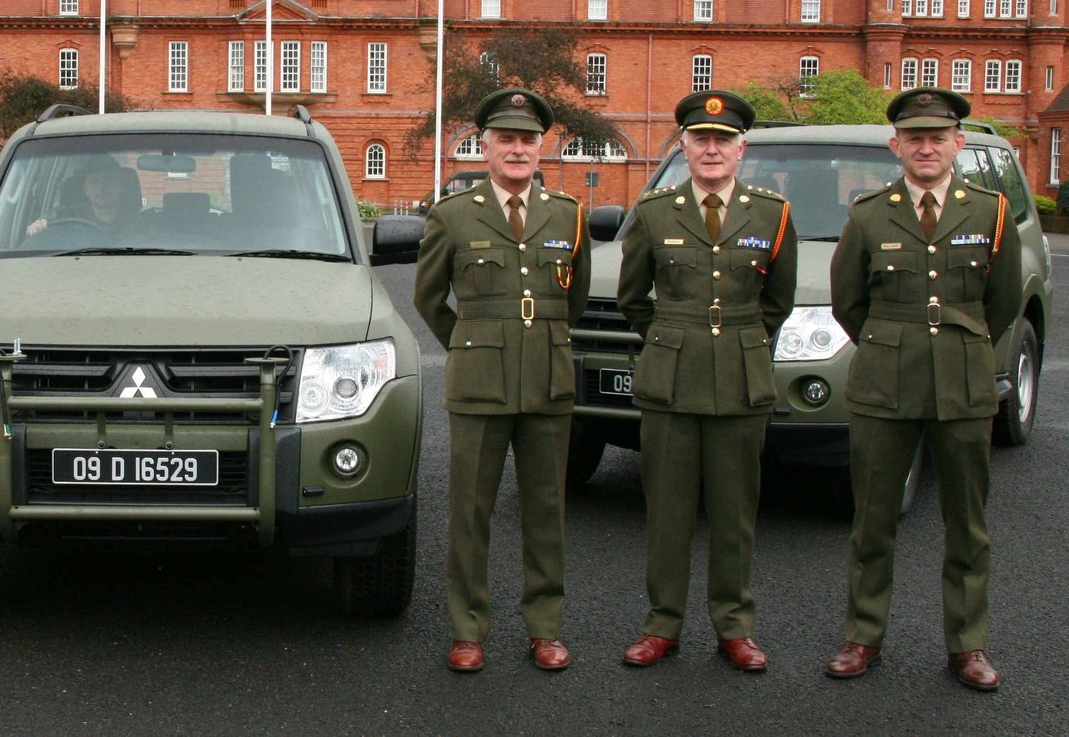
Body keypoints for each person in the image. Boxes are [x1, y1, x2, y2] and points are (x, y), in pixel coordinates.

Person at [825, 87, 1022, 692]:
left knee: (967, 523)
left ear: (958, 144)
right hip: (884, 380)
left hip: (962, 383)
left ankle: (968, 646)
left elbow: (1004, 300)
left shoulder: (990, 212)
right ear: (896, 147)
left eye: (938, 138)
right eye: (915, 139)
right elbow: (848, 303)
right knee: (873, 521)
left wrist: (957, 345)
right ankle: (863, 637)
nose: (927, 148)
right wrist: (894, 341)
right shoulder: (868, 214)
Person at [615, 90, 797, 673]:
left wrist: (740, 338)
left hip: (741, 379)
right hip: (670, 378)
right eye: (700, 139)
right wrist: (675, 333)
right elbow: (631, 299)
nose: (711, 149)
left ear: (741, 149)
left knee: (734, 511)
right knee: (667, 511)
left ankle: (734, 626)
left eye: (723, 140)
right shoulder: (654, 211)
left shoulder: (772, 214)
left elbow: (778, 301)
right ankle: (662, 625)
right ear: (685, 147)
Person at [413, 87, 590, 673]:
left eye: (528, 140)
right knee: (470, 511)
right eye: (506, 139)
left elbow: (575, 298)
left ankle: (545, 628)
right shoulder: (453, 215)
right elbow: (429, 297)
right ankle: (468, 629)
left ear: (542, 147)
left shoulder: (566, 213)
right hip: (479, 382)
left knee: (546, 510)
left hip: (547, 379)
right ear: (483, 145)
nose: (518, 150)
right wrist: (471, 345)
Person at [26, 158, 140, 236]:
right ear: (85, 189)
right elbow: (36, 232)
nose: (101, 187)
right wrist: (36, 229)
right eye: (94, 180)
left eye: (109, 179)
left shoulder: (142, 223)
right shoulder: (62, 218)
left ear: (121, 186)